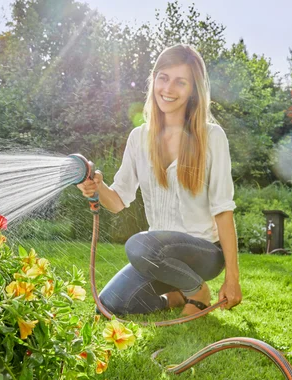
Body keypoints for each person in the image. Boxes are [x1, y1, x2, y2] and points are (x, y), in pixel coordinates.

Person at [77, 44, 241, 317]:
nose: (168, 88)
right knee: (108, 306)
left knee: (140, 245)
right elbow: (118, 201)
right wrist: (97, 187)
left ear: (193, 91)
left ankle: (196, 289)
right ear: (153, 80)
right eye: (163, 78)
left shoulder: (211, 137)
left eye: (181, 82)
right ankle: (174, 298)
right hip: (156, 256)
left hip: (203, 253)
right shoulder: (139, 138)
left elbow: (223, 211)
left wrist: (232, 278)